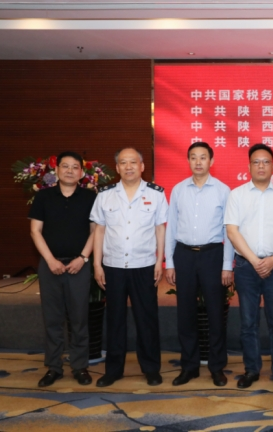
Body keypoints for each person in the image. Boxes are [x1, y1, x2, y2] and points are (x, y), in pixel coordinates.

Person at [90, 147, 168, 387]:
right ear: (117, 168)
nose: (128, 166)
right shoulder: (105, 195)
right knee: (115, 320)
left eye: (133, 162)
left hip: (144, 265)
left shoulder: (156, 194)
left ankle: (151, 369)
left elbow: (160, 229)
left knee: (147, 319)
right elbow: (99, 230)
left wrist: (160, 261)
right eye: (123, 162)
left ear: (142, 166)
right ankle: (113, 370)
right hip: (113, 266)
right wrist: (97, 264)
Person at [224, 143, 273, 390]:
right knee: (248, 322)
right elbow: (232, 232)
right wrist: (255, 261)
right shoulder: (237, 195)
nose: (261, 166)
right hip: (246, 267)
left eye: (266, 162)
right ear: (249, 166)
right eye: (256, 162)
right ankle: (251, 370)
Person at [165, 142, 234, 387]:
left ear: (211, 161)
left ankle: (217, 367)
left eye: (203, 157)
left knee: (215, 313)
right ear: (188, 161)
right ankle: (189, 366)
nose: (198, 162)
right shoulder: (178, 190)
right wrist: (169, 262)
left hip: (212, 255)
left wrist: (227, 265)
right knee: (185, 313)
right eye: (193, 157)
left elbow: (229, 231)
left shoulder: (223, 190)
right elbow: (171, 227)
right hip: (184, 255)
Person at [29, 151, 96, 387]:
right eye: (65, 166)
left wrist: (83, 258)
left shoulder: (90, 197)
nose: (69, 170)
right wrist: (50, 260)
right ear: (56, 170)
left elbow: (96, 231)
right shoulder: (43, 197)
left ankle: (80, 367)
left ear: (81, 172)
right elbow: (35, 231)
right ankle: (53, 367)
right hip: (51, 266)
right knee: (52, 319)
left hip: (79, 266)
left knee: (79, 319)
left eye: (75, 167)